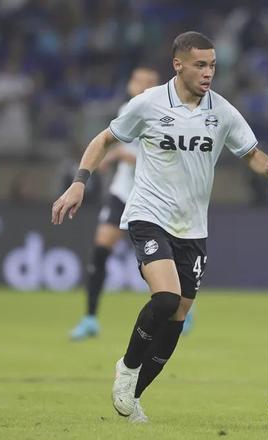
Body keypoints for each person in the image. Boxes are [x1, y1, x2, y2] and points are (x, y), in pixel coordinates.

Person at [51, 31, 268, 423]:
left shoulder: (222, 112)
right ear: (178, 65)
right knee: (165, 299)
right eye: (200, 65)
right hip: (148, 215)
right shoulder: (148, 104)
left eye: (212, 65)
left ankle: (134, 396)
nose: (208, 72)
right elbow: (104, 140)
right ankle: (127, 368)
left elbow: (250, 152)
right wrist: (79, 182)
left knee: (177, 317)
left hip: (193, 228)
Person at [69, 66, 160, 341]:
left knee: (158, 260)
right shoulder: (126, 110)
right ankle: (90, 319)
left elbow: (155, 160)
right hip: (123, 192)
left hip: (151, 196)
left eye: (149, 82)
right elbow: (114, 145)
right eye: (138, 80)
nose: (142, 86)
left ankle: (182, 310)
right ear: (130, 84)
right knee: (100, 251)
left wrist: (119, 154)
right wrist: (112, 155)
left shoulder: (163, 115)